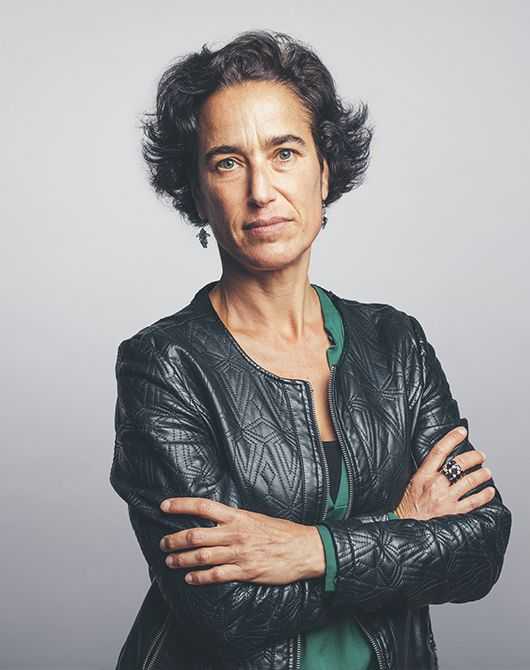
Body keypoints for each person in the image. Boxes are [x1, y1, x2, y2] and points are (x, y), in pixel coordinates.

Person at [110, 29, 512, 670]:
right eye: (227, 162)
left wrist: (308, 550)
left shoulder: (396, 344)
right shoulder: (164, 365)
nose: (261, 190)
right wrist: (401, 526)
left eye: (285, 153)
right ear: (197, 193)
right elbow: (224, 608)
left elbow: (479, 550)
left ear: (324, 171)